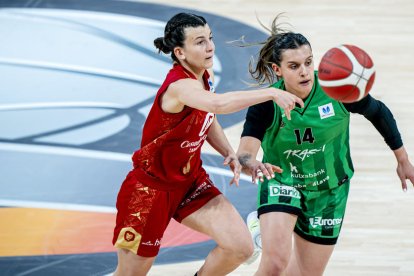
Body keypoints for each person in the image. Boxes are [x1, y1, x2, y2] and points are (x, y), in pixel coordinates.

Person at [112, 12, 304, 276]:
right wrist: (271, 92)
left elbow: (207, 116)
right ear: (180, 52)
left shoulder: (203, 75)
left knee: (240, 247)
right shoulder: (180, 87)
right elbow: (218, 105)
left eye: (210, 38)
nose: (210, 46)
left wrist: (230, 153)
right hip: (150, 192)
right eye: (200, 41)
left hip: (189, 181)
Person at [237, 15, 414, 275]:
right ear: (278, 70)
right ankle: (264, 226)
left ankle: (263, 230)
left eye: (308, 63)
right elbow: (244, 153)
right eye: (294, 66)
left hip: (330, 191)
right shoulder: (266, 102)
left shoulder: (336, 88)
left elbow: (379, 112)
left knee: (306, 273)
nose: (305, 71)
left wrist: (402, 160)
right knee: (274, 264)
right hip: (283, 182)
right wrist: (251, 163)